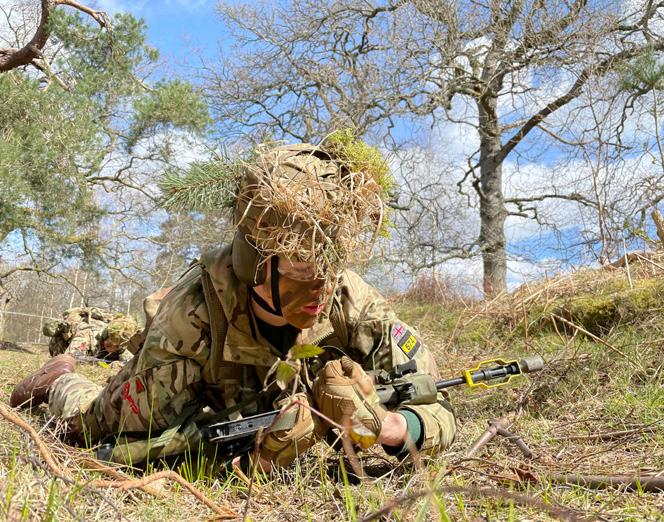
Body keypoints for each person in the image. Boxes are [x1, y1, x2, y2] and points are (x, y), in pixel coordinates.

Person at [10, 141, 456, 469]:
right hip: (179, 395)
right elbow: (153, 447)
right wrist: (253, 457)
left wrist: (390, 427)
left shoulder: (350, 299)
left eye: (329, 265)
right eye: (302, 268)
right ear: (256, 263)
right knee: (86, 425)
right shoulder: (192, 319)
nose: (321, 286)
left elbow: (437, 402)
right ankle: (58, 379)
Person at [43, 308, 137, 362]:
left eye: (115, 346)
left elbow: (130, 361)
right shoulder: (87, 335)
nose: (108, 343)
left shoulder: (122, 343)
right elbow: (70, 357)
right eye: (108, 338)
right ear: (106, 334)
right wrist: (99, 363)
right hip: (62, 345)